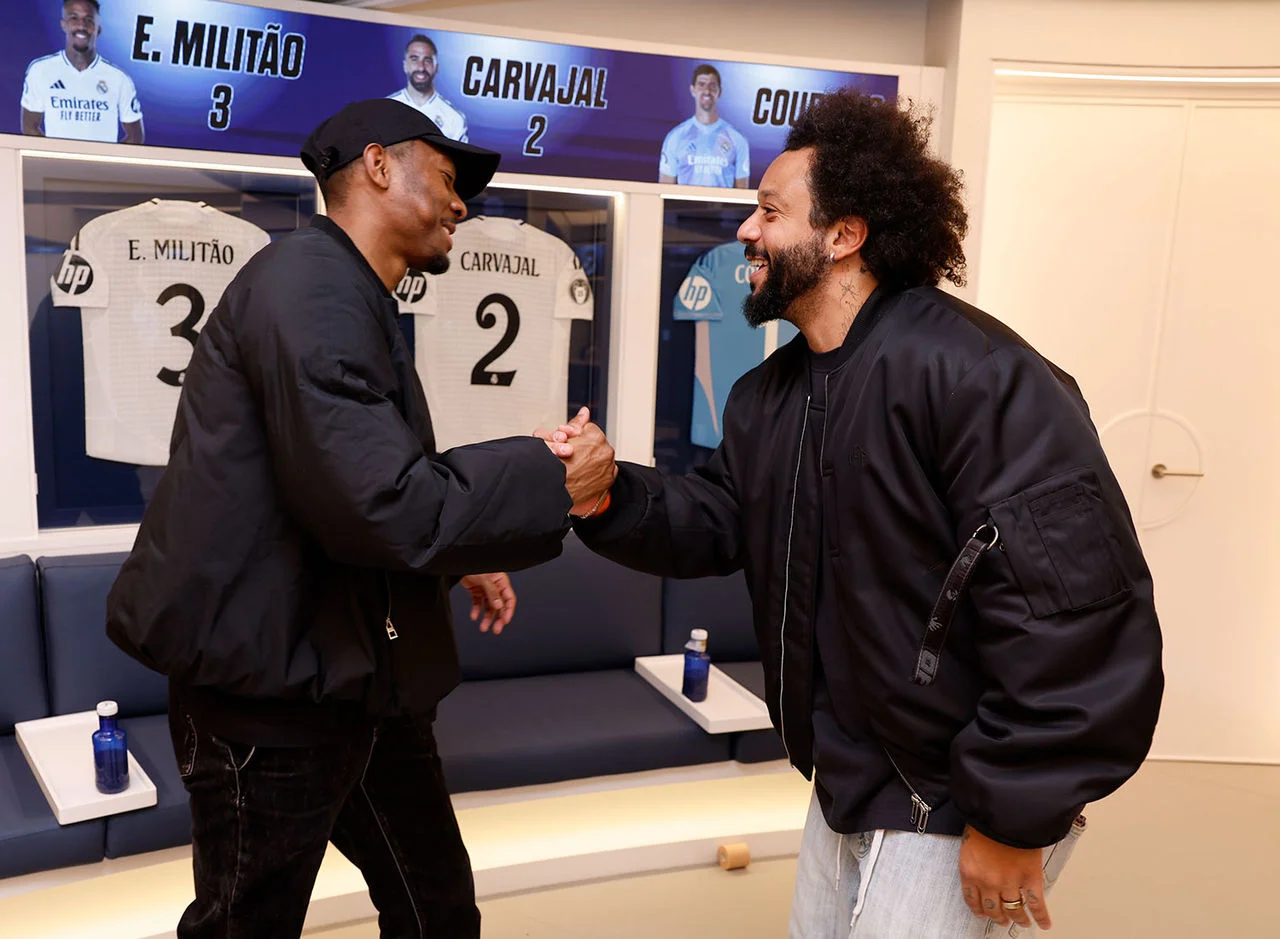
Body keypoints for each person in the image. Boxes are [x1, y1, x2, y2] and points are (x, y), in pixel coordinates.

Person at [555, 90, 1163, 938]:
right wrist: (608, 491)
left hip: (956, 791)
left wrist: (1012, 813)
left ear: (844, 236)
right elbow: (720, 517)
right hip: (847, 776)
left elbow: (1078, 619)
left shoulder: (984, 378)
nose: (745, 233)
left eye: (770, 211)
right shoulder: (769, 396)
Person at [105, 98, 615, 939]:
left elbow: (341, 488)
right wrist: (550, 473)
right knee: (245, 925)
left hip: (360, 684)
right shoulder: (310, 288)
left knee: (436, 909)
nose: (463, 205)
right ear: (378, 166)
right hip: (270, 701)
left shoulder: (351, 295)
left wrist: (458, 557)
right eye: (449, 181)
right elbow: (383, 504)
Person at [22, 0, 144, 144]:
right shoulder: (40, 70)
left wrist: (108, 164)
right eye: (74, 18)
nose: (81, 26)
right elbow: (29, 127)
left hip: (101, 167)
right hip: (57, 166)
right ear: (64, 25)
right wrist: (53, 159)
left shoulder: (119, 79)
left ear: (98, 30)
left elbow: (136, 137)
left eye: (89, 20)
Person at [658, 64, 749, 188]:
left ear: (719, 91)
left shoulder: (737, 139)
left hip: (724, 208)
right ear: (693, 90)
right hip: (683, 207)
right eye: (701, 84)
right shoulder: (676, 137)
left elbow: (742, 193)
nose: (707, 91)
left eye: (712, 86)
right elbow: (664, 190)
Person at [388, 33, 469, 142]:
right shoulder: (386, 108)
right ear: (405, 65)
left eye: (427, 60)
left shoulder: (454, 118)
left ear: (436, 67)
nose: (421, 67)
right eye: (414, 59)